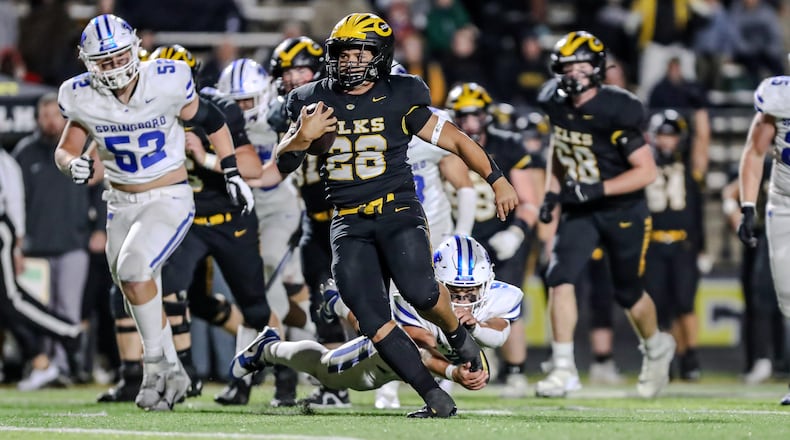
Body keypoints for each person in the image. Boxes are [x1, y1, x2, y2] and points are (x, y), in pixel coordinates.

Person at [275, 12, 518, 418]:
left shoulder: (401, 94)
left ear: (380, 55)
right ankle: (434, 397)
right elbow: (282, 163)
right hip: (348, 220)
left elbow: (456, 139)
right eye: (343, 52)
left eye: (359, 52)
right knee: (371, 316)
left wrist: (496, 178)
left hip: (397, 210)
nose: (349, 61)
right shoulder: (311, 100)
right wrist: (303, 135)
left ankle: (459, 337)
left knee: (422, 292)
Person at [54, 14, 254, 411]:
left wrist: (229, 168)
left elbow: (211, 119)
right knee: (135, 288)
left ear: (135, 50)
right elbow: (67, 146)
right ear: (88, 61)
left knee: (133, 270)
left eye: (118, 57)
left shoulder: (166, 78)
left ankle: (155, 367)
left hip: (168, 195)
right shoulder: (80, 95)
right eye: (103, 60)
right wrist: (68, 164)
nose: (112, 67)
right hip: (119, 204)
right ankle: (173, 370)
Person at [535, 30, 675, 399]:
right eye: (568, 65)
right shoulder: (553, 100)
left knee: (628, 292)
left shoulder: (618, 108)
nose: (575, 72)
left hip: (622, 209)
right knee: (559, 276)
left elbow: (647, 171)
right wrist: (552, 190)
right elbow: (561, 146)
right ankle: (564, 367)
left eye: (582, 64)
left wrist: (599, 188)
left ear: (597, 67)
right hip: (581, 209)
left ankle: (656, 348)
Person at [229, 235, 520, 404]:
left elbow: (500, 330)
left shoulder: (501, 296)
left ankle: (338, 302)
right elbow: (415, 351)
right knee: (325, 369)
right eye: (456, 291)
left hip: (420, 352)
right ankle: (269, 347)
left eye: (472, 291)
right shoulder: (418, 298)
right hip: (385, 357)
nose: (464, 300)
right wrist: (452, 373)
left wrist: (475, 326)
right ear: (438, 283)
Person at [374, 63, 477, 409]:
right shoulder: (363, 128)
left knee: (440, 309)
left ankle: (461, 365)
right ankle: (389, 383)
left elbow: (463, 184)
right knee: (383, 304)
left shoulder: (428, 124)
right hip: (387, 229)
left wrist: (461, 236)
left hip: (431, 231)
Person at [216, 56, 313, 407]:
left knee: (263, 276)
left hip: (279, 210)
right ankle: (270, 376)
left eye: (248, 101)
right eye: (236, 102)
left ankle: (267, 378)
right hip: (244, 213)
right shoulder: (219, 122)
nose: (243, 109)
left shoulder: (278, 116)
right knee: (253, 294)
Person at [445, 83, 541, 399]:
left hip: (499, 236)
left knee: (506, 305)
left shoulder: (509, 145)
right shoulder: (440, 145)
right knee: (447, 306)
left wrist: (516, 234)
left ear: (487, 115)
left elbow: (528, 201)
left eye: (475, 115)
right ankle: (454, 366)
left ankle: (514, 371)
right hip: (457, 243)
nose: (470, 123)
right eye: (463, 115)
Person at [12, 92, 105, 382]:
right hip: (34, 247)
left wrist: (101, 227)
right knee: (36, 312)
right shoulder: (24, 153)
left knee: (68, 308)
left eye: (55, 114)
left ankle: (63, 367)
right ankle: (42, 366)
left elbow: (100, 190)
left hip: (72, 242)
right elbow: (14, 201)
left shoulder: (80, 150)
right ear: (37, 118)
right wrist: (18, 242)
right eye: (45, 115)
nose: (51, 120)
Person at [0, 147, 83, 391]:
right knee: (5, 305)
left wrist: (17, 244)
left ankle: (68, 331)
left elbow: (14, 199)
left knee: (12, 300)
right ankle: (40, 361)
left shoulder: (4, 161)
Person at [737, 70, 790, 405]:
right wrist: (746, 204)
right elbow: (755, 151)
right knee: (787, 294)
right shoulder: (779, 96)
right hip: (785, 202)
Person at [643, 109, 705, 381]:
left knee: (685, 304)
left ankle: (689, 356)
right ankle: (665, 357)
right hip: (653, 245)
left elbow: (697, 208)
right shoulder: (643, 164)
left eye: (671, 136)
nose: (667, 141)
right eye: (662, 135)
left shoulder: (690, 164)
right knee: (659, 308)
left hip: (682, 244)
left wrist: (701, 247)